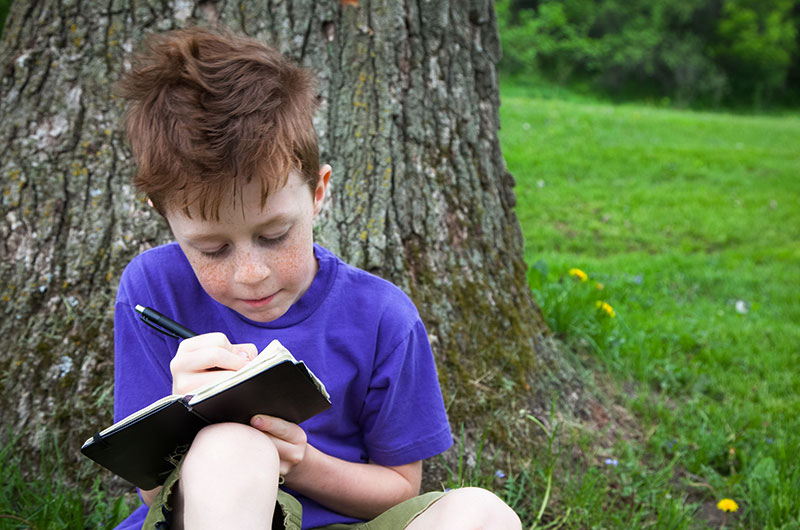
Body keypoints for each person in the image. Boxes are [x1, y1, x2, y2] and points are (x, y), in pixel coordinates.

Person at [111, 26, 521, 530]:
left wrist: (300, 461)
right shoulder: (152, 291)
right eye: (212, 248)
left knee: (482, 513)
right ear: (164, 216)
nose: (252, 274)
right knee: (234, 447)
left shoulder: (383, 318)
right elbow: (151, 493)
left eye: (275, 234)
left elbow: (399, 488)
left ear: (318, 192)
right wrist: (179, 413)